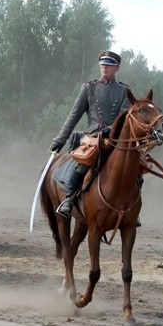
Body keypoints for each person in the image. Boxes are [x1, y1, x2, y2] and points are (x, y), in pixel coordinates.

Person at [49, 51, 132, 219]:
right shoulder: (89, 87)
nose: (105, 67)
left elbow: (125, 116)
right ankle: (69, 199)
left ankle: (132, 207)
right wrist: (60, 139)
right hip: (92, 137)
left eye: (109, 64)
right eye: (102, 64)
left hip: (115, 139)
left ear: (116, 67)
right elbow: (74, 116)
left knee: (136, 164)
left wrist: (112, 129)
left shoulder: (124, 90)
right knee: (82, 163)